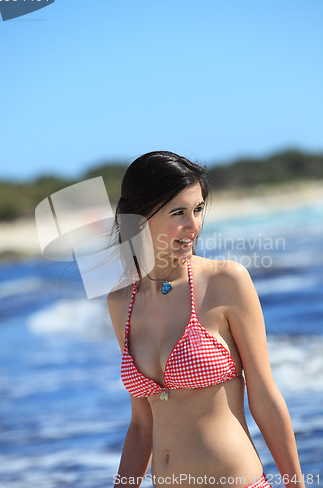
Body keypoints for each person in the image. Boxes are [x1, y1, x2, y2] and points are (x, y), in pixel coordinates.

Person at [107, 151, 305, 488]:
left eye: (198, 209)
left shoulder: (225, 282)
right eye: (179, 212)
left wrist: (296, 485)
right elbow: (142, 424)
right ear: (140, 218)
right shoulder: (122, 301)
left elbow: (265, 398)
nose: (194, 225)